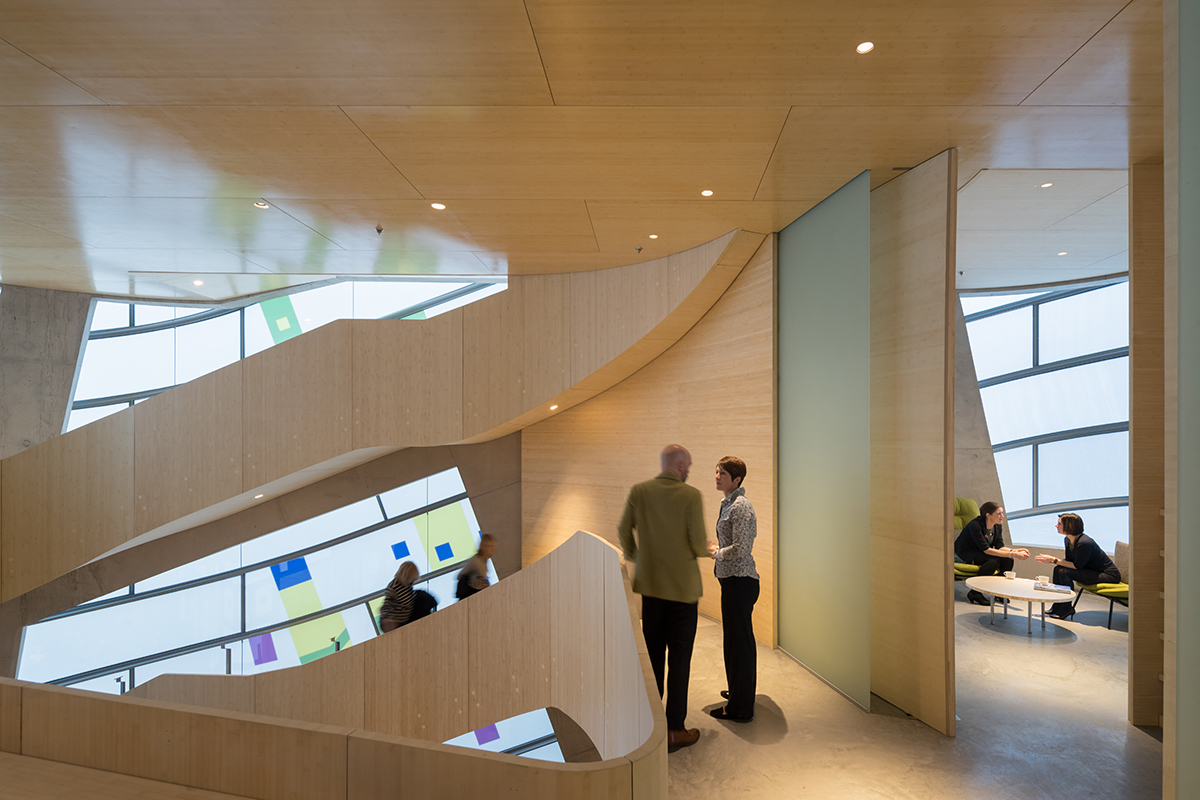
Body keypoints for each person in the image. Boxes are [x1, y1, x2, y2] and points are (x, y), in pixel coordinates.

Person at [618, 444, 708, 752]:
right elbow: (697, 544)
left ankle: (650, 726)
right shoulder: (691, 496)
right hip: (682, 592)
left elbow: (622, 530)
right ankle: (674, 731)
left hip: (652, 589)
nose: (689, 471)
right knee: (679, 662)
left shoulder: (640, 491)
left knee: (653, 656)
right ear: (681, 467)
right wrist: (704, 547)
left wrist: (638, 557)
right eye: (689, 466)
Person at [706, 456, 758, 723]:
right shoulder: (728, 503)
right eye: (716, 471)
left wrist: (716, 553)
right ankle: (740, 693)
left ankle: (740, 708)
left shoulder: (740, 507)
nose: (717, 476)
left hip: (740, 581)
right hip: (733, 581)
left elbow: (741, 548)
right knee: (737, 643)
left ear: (736, 479)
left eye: (722, 473)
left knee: (739, 646)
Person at [1035, 513, 1120, 620]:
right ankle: (1058, 605)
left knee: (1063, 572)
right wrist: (1054, 561)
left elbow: (1076, 566)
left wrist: (1053, 560)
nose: (1056, 526)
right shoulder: (1067, 540)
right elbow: (1069, 561)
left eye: (1059, 523)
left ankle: (1066, 608)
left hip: (1108, 575)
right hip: (1090, 570)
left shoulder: (1084, 543)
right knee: (1058, 569)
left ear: (1069, 526)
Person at [954, 502, 1030, 606]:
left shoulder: (997, 526)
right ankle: (975, 593)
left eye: (1002, 513)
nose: (1002, 516)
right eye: (999, 514)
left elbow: (1000, 547)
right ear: (988, 515)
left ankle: (997, 591)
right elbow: (987, 550)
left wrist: (1015, 551)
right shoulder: (975, 525)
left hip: (982, 552)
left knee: (1008, 560)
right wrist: (1013, 553)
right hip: (966, 553)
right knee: (993, 561)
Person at [380, 561, 419, 632]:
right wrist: (389, 621)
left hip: (406, 619)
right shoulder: (394, 587)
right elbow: (387, 605)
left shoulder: (408, 585)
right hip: (396, 623)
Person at [456, 533, 496, 600]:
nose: (490, 549)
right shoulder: (476, 560)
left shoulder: (484, 560)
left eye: (492, 546)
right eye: (488, 546)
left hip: (479, 593)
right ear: (483, 546)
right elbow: (460, 574)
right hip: (472, 594)